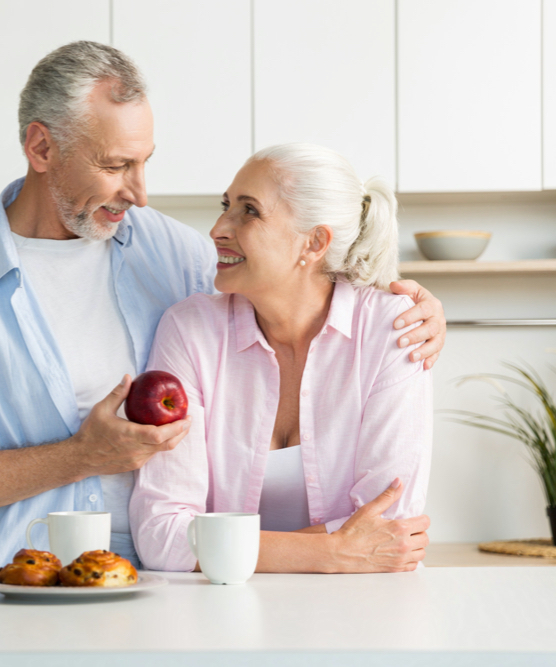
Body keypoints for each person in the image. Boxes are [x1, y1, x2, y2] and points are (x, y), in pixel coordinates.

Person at [0, 42, 445, 572]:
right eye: (115, 165)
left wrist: (414, 308)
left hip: (165, 592)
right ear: (41, 148)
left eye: (144, 162)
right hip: (29, 586)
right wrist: (81, 455)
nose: (139, 192)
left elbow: (287, 275)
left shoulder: (167, 251)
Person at [130, 143, 432, 573]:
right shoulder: (189, 330)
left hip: (364, 608)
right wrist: (331, 551)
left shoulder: (393, 329)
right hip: (222, 612)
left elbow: (391, 530)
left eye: (249, 211)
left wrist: (219, 549)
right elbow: (160, 535)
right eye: (226, 205)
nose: (218, 227)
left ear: (314, 242)